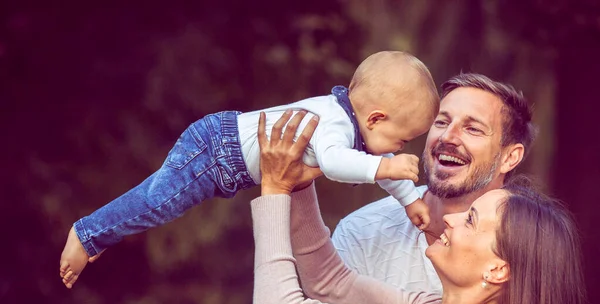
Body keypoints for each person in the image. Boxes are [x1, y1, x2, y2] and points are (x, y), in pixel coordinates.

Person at [251, 110, 597, 304]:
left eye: (471, 220)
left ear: (497, 270)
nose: (450, 218)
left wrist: (274, 190)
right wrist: (297, 182)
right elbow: (330, 282)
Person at [59, 50, 439, 289]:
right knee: (158, 201)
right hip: (214, 150)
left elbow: (358, 165)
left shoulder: (349, 126)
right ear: (375, 118)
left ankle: (103, 233)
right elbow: (337, 164)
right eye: (401, 140)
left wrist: (409, 201)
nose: (399, 149)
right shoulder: (335, 124)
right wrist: (387, 167)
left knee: (157, 199)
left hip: (221, 154)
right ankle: (88, 233)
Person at [309, 72, 542, 304]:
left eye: (472, 128)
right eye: (441, 122)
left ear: (509, 156)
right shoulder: (363, 229)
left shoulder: (529, 252)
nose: (448, 136)